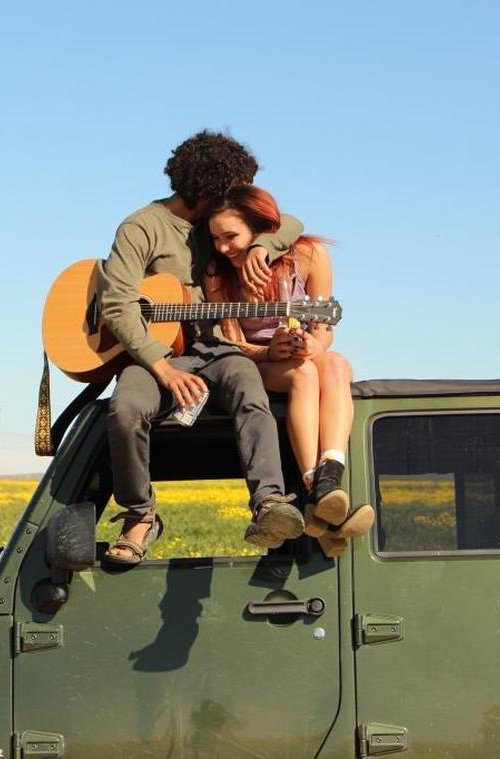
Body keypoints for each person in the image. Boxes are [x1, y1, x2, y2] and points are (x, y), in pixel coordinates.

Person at [97, 131, 306, 565]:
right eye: (233, 190)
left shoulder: (221, 224)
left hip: (216, 349)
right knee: (125, 409)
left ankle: (269, 503)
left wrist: (262, 247)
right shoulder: (142, 227)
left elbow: (290, 222)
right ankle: (140, 514)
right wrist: (163, 368)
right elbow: (117, 304)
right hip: (155, 354)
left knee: (249, 388)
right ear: (210, 190)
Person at [204, 184, 374, 545]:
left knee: (337, 365)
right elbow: (231, 345)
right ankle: (316, 489)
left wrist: (315, 343)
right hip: (258, 361)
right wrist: (269, 352)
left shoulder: (310, 255)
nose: (222, 247)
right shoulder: (217, 274)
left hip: (302, 352)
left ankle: (329, 478)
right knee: (304, 374)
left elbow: (325, 329)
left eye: (231, 236)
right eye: (215, 238)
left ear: (261, 229)